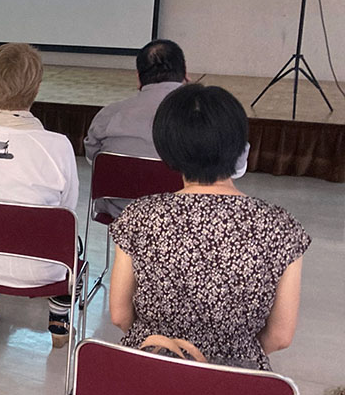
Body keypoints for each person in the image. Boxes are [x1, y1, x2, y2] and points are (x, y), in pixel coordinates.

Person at [109, 85, 309, 370]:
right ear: (241, 149)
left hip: (149, 370)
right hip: (234, 379)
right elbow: (280, 337)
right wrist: (230, 355)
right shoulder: (281, 227)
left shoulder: (139, 216)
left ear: (167, 149)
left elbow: (119, 316)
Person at [0, 43, 80, 348]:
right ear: (36, 88)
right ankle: (59, 319)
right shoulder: (58, 145)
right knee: (71, 238)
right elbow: (67, 211)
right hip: (43, 266)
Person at [84, 39, 249, 218]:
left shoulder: (109, 115)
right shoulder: (215, 116)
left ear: (139, 77)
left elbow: (94, 160)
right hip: (192, 216)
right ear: (185, 75)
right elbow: (237, 169)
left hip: (123, 214)